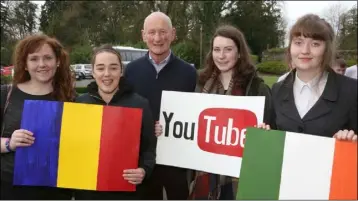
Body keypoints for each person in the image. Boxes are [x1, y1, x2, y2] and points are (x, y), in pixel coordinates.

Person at [185, 25, 272, 200]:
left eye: (228, 49)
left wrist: (265, 133)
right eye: (217, 49)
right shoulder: (201, 84)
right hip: (205, 174)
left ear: (239, 52)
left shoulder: (257, 87)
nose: (221, 56)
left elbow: (272, 131)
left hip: (240, 176)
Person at [124, 11, 197, 200]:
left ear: (173, 34)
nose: (157, 38)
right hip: (142, 159)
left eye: (163, 32)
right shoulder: (130, 71)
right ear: (143, 35)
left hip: (176, 160)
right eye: (152, 32)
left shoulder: (189, 73)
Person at [73, 44, 157, 200]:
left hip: (126, 192)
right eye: (100, 68)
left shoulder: (139, 104)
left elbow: (149, 148)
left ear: (121, 71)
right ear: (92, 72)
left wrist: (144, 170)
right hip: (88, 192)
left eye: (113, 68)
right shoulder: (78, 104)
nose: (107, 74)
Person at [259, 14, 357, 142]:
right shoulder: (277, 90)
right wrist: (264, 134)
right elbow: (272, 141)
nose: (305, 51)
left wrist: (351, 144)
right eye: (298, 43)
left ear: (327, 50)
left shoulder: (352, 91)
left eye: (315, 44)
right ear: (290, 48)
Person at [0, 34, 75, 199]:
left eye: (48, 57)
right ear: (25, 64)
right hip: (10, 189)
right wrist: (9, 143)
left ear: (58, 61)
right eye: (34, 59)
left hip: (56, 191)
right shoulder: (5, 94)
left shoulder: (70, 98)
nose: (42, 64)